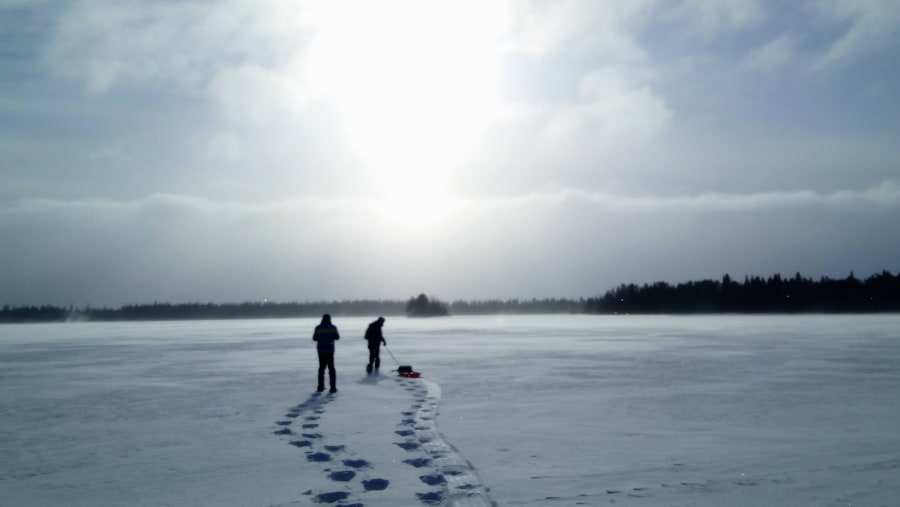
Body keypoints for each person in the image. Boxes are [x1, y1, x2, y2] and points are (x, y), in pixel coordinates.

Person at [313, 314, 339, 393]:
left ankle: (320, 386)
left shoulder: (318, 327)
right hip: (330, 350)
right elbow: (337, 337)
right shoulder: (333, 327)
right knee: (331, 369)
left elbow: (314, 338)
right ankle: (333, 387)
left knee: (321, 369)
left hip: (321, 350)